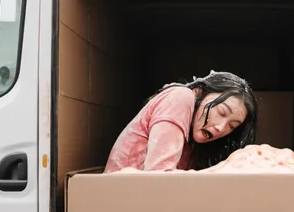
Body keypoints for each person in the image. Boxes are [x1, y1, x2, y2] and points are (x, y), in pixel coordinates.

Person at [104, 71, 258, 173]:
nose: (220, 127)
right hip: (119, 206)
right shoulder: (181, 97)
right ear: (199, 92)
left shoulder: (198, 143)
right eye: (221, 112)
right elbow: (158, 174)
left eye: (232, 126)